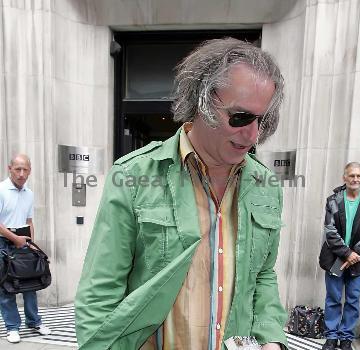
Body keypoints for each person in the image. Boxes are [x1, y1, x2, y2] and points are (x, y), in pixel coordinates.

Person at [75, 37, 287, 350]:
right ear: (203, 101)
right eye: (240, 117)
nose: (253, 135)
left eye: (262, 119)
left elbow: (263, 277)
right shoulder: (133, 175)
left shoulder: (265, 185)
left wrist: (271, 340)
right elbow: (99, 293)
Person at [0, 154, 51, 343]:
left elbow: (29, 221)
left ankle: (34, 322)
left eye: (25, 169)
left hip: (23, 242)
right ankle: (12, 327)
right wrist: (15, 239)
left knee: (31, 283)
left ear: (30, 170)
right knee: (6, 286)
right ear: (10, 168)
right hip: (4, 242)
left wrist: (30, 244)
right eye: (17, 169)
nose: (21, 174)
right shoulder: (1, 190)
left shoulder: (29, 193)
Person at [319, 162, 360, 350]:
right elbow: (330, 231)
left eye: (359, 176)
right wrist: (347, 253)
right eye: (351, 175)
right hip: (335, 258)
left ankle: (346, 337)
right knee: (333, 298)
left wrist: (354, 254)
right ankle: (331, 336)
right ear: (344, 177)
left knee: (353, 300)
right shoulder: (333, 200)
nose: (355, 179)